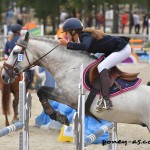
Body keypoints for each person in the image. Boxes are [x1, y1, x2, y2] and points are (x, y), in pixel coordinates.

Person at [59, 18, 131, 110]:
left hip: (122, 49)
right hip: (115, 50)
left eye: (66, 33)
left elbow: (85, 47)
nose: (66, 36)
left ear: (73, 32)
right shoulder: (83, 37)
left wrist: (68, 44)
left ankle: (106, 100)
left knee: (102, 66)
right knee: (97, 64)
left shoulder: (84, 35)